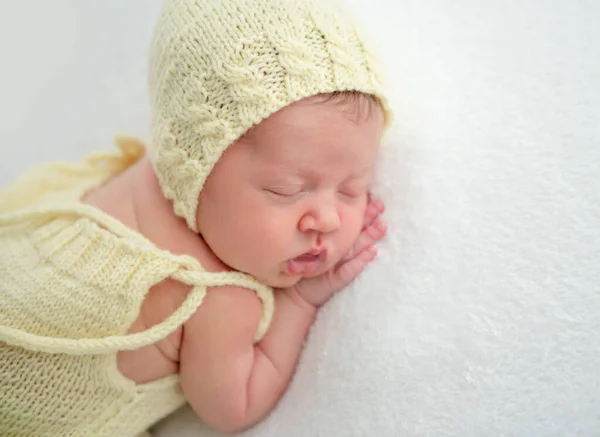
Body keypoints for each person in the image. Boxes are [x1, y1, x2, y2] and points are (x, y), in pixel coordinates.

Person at [0, 0, 393, 435]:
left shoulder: (145, 172)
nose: (327, 219)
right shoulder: (220, 298)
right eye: (286, 189)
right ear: (195, 164)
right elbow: (233, 410)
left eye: (351, 188)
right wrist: (298, 302)